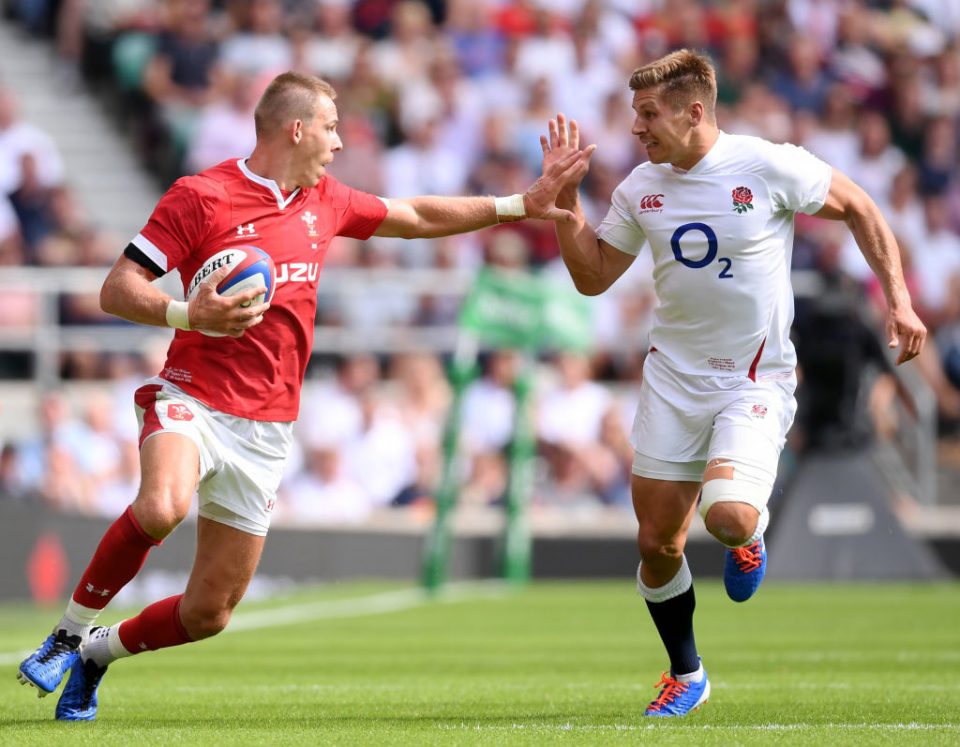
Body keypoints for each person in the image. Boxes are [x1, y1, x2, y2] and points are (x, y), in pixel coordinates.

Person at [16, 70, 589, 722]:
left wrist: (518, 204)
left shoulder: (325, 198)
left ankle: (97, 653)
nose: (340, 142)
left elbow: (416, 214)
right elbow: (117, 288)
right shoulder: (201, 196)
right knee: (161, 503)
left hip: (266, 427)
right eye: (331, 126)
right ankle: (65, 632)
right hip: (192, 397)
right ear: (297, 128)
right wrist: (186, 315)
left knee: (210, 612)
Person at [538, 49, 926, 717]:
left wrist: (898, 298)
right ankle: (687, 672)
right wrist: (566, 208)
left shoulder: (767, 165)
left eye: (649, 114)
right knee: (656, 544)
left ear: (694, 112)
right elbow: (593, 275)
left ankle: (748, 536)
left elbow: (860, 205)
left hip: (752, 379)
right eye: (635, 114)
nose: (637, 128)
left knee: (725, 516)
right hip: (671, 380)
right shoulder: (640, 187)